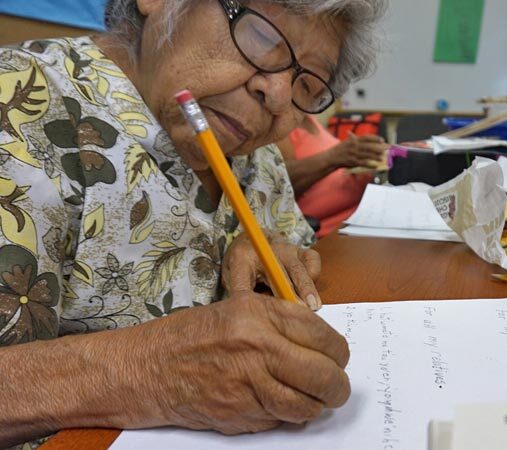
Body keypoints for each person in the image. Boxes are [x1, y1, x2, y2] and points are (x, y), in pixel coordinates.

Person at [0, 0, 386, 446]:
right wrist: (148, 372)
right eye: (261, 38)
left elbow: (293, 262)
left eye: (308, 83)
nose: (278, 96)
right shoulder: (20, 106)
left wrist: (277, 259)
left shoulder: (254, 154)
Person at [278, 115, 388, 237]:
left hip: (362, 217)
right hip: (333, 233)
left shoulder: (308, 118)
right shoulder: (279, 126)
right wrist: (333, 157)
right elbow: (278, 185)